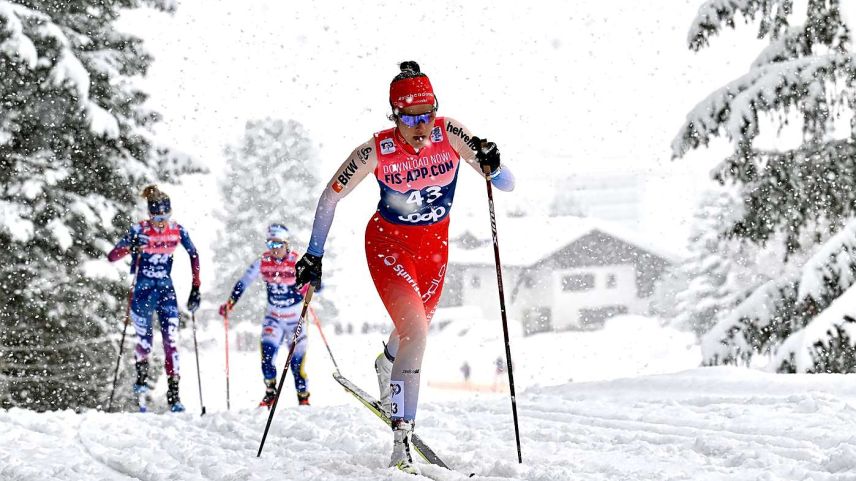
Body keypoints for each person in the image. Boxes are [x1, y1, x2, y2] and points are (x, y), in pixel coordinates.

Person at [293, 61, 515, 473]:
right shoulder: (377, 149)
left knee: (415, 330)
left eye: (427, 113)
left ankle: (386, 363)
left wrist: (494, 164)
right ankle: (402, 443)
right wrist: (313, 254)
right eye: (410, 117)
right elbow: (331, 195)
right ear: (394, 115)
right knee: (416, 330)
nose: (420, 125)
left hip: (434, 250)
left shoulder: (450, 134)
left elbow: (506, 184)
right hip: (388, 245)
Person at [107, 185, 201, 413]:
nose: (161, 222)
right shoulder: (139, 230)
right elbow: (112, 256)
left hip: (165, 291)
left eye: (165, 217)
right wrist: (131, 247)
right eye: (157, 217)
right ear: (150, 215)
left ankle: (174, 397)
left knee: (172, 341)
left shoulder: (177, 229)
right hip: (142, 292)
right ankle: (140, 391)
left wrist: (195, 287)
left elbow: (194, 254)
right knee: (145, 343)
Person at [219, 224, 311, 407]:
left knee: (296, 363)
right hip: (274, 317)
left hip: (295, 318)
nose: (274, 249)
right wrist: (230, 303)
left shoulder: (297, 260)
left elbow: (316, 283)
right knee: (267, 357)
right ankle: (270, 393)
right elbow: (243, 282)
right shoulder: (263, 261)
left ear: (286, 244)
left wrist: (310, 283)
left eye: (278, 244)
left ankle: (303, 398)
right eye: (270, 244)